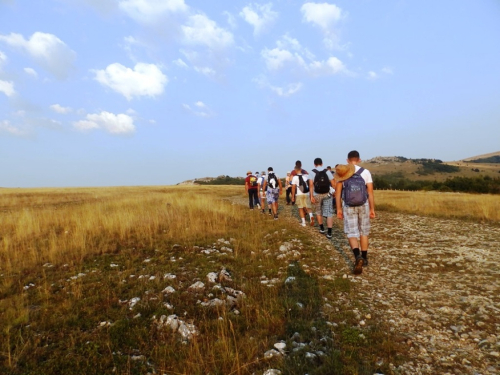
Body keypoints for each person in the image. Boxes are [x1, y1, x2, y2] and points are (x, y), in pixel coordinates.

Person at [335, 150, 375, 275]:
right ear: (359, 160)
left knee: (351, 233)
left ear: (347, 160)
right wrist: (372, 209)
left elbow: (338, 194)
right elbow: (370, 193)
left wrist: (339, 209)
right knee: (364, 232)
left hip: (348, 205)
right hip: (364, 204)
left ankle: (357, 256)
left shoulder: (343, 172)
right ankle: (365, 257)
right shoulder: (366, 172)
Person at [310, 158, 335, 238]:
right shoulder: (327, 171)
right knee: (329, 212)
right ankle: (330, 232)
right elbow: (333, 183)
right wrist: (334, 192)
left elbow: (311, 185)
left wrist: (311, 196)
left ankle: (322, 228)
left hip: (316, 194)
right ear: (322, 163)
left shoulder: (312, 172)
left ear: (314, 164)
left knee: (318, 211)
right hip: (327, 194)